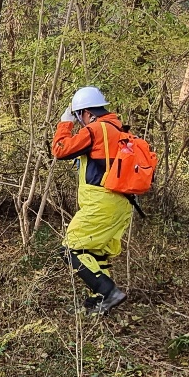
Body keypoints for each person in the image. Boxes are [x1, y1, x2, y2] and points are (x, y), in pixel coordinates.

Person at [52, 86, 135, 314]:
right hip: (122, 204)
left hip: (102, 203)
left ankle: (108, 292)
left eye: (79, 117)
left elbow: (60, 149)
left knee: (71, 248)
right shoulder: (118, 129)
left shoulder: (96, 129)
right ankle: (97, 304)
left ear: (86, 112)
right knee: (95, 253)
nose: (80, 123)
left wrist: (65, 123)